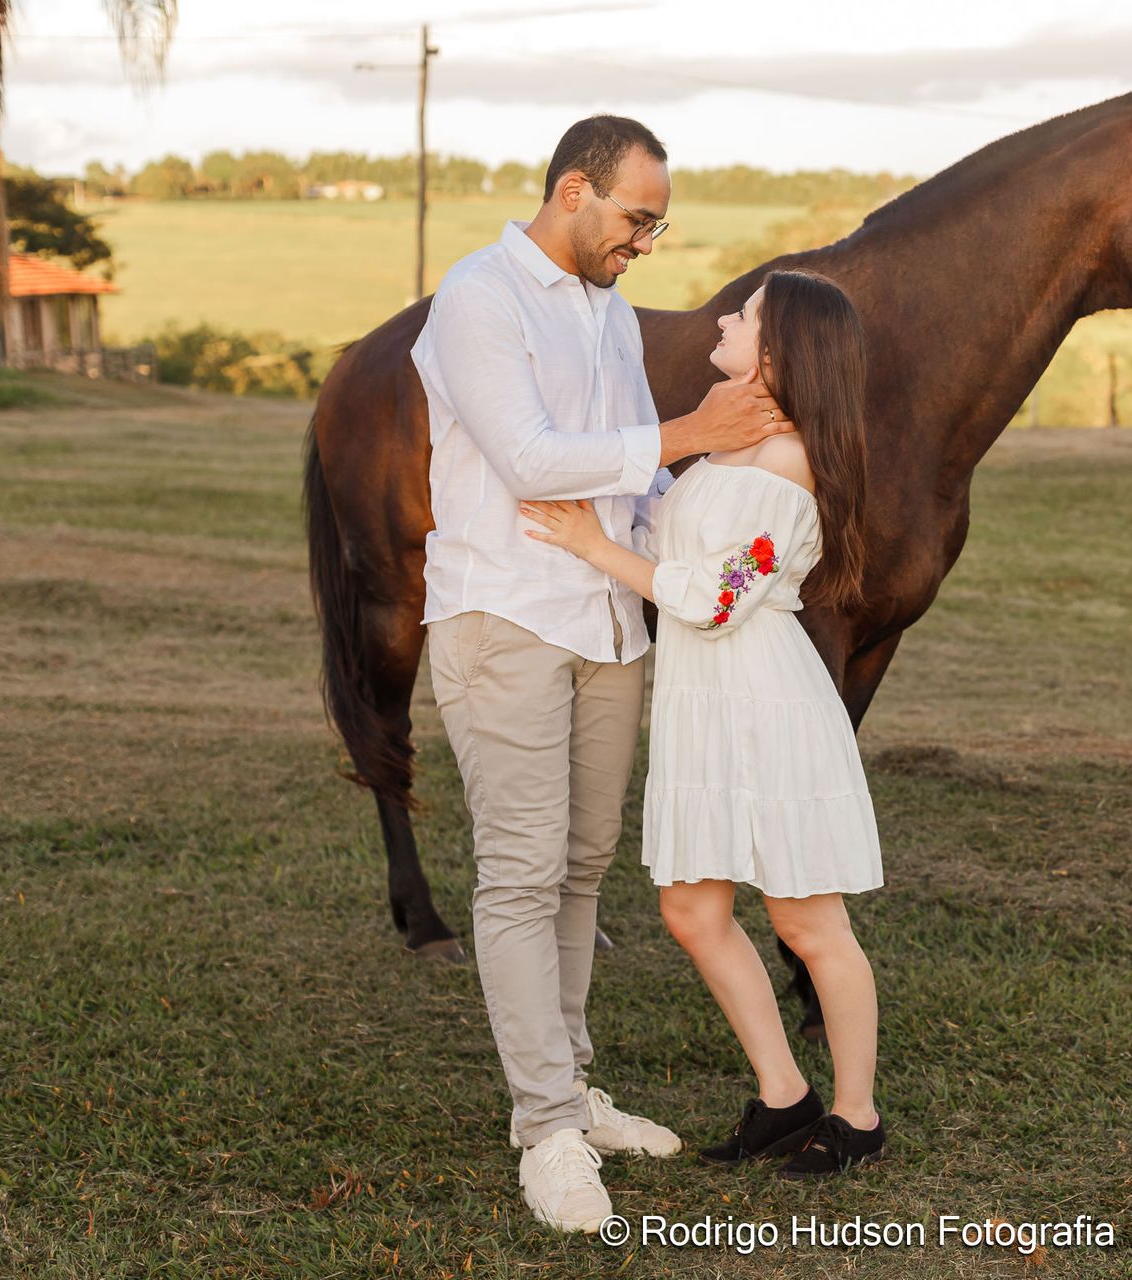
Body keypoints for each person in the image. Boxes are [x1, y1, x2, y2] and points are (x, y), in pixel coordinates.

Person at [410, 114, 796, 1234]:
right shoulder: (480, 295)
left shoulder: (609, 311)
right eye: (638, 218)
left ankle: (571, 1087)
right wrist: (691, 429)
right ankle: (545, 1129)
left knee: (581, 868)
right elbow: (530, 458)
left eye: (658, 225)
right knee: (521, 872)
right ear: (574, 192)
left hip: (609, 623)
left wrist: (748, 501)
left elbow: (631, 482)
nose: (646, 242)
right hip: (505, 614)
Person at [522, 268, 886, 1181]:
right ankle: (783, 1097)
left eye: (747, 313)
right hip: (704, 703)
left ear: (781, 352)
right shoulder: (733, 448)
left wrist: (594, 547)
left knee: (807, 920)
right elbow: (675, 545)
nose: (725, 316)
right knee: (690, 909)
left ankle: (856, 1115)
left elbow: (722, 600)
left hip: (764, 703)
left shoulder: (788, 463)